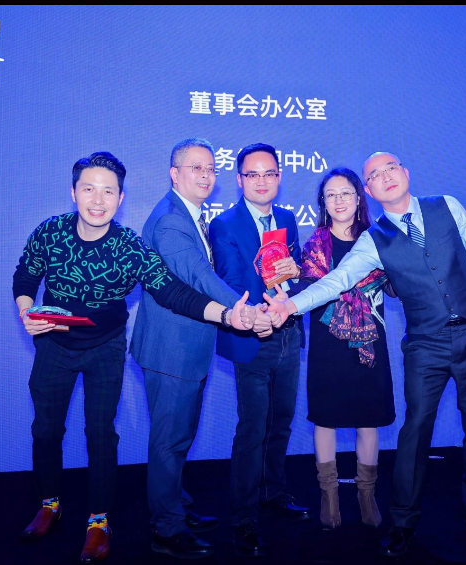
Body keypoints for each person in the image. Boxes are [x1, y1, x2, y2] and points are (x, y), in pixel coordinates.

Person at [265, 152, 466, 557]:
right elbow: (336, 281)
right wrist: (290, 305)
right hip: (426, 346)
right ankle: (403, 523)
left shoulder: (447, 206)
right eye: (375, 175)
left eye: (390, 168)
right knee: (414, 434)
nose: (385, 177)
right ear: (369, 190)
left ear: (405, 173)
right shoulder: (373, 239)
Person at [13, 151, 255, 563]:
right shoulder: (51, 232)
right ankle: (50, 503)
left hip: (105, 349)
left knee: (100, 435)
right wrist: (26, 311)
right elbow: (26, 274)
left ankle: (98, 522)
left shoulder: (128, 247)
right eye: (89, 189)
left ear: (121, 198)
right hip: (53, 345)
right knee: (46, 431)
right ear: (73, 192)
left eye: (108, 191)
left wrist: (228, 314)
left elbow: (172, 290)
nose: (98, 200)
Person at [130, 138, 275, 560]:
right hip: (171, 349)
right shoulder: (171, 221)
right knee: (169, 440)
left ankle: (176, 505)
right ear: (174, 174)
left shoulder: (190, 215)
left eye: (211, 168)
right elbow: (197, 275)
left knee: (179, 435)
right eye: (196, 168)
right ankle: (166, 528)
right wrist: (241, 309)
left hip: (186, 346)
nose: (206, 175)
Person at [208, 143, 311, 557]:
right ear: (239, 180)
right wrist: (258, 316)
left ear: (279, 177)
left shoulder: (287, 219)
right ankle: (244, 518)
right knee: (252, 428)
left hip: (289, 334)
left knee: (281, 421)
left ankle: (273, 491)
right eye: (253, 174)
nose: (262, 181)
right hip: (254, 336)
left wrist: (296, 275)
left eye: (270, 173)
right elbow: (230, 283)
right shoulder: (225, 224)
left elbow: (296, 277)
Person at [293, 168, 395, 529]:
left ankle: (367, 494)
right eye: (331, 195)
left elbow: (395, 287)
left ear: (358, 198)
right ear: (323, 202)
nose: (339, 201)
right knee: (326, 418)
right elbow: (306, 292)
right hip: (328, 343)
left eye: (346, 193)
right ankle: (330, 495)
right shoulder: (314, 245)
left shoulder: (378, 239)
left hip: (369, 342)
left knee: (368, 419)